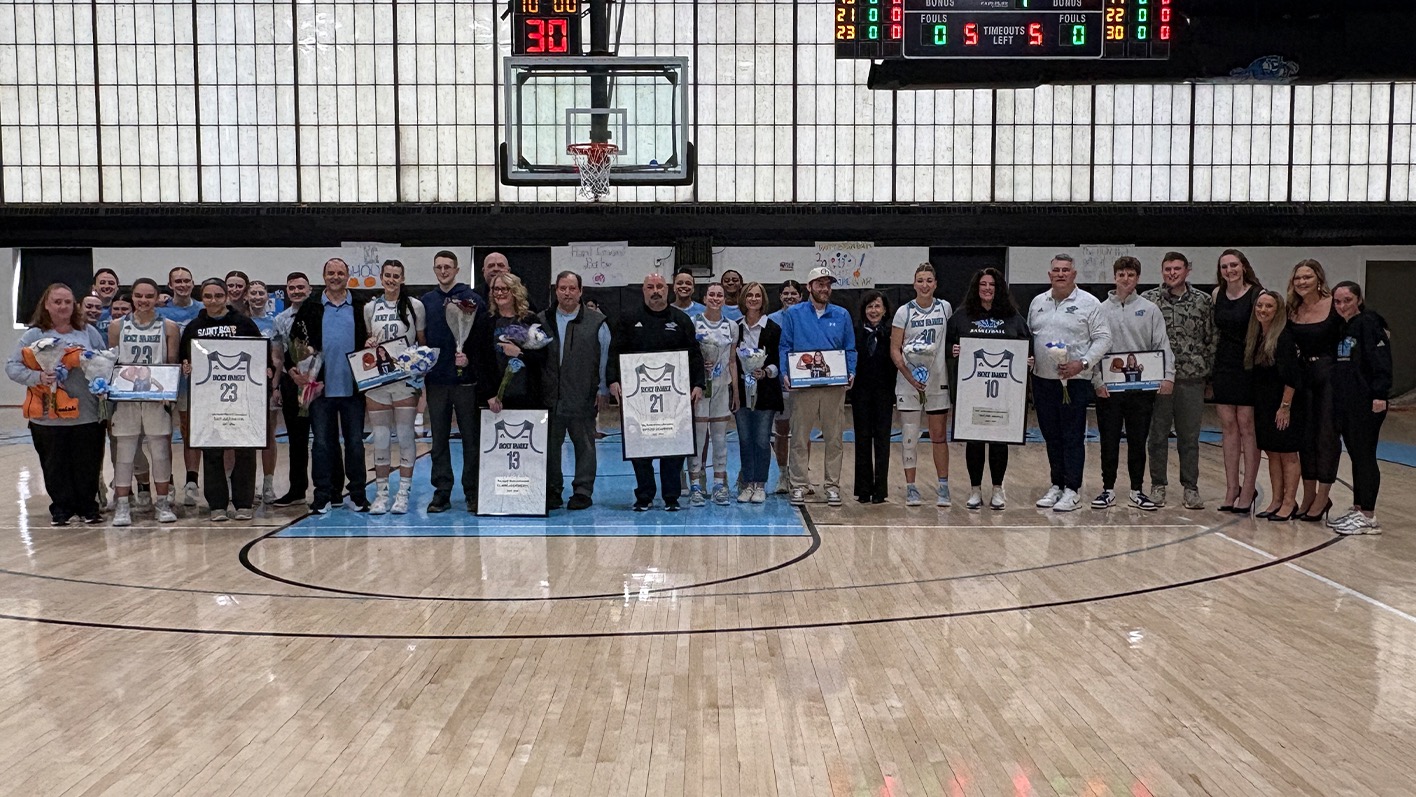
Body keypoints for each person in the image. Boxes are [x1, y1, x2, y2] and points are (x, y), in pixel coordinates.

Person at [7, 283, 108, 526]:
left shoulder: (88, 332)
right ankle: (61, 508)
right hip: (47, 415)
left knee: (88, 463)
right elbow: (12, 366)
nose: (63, 306)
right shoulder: (34, 335)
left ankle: (88, 507)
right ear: (46, 305)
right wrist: (38, 377)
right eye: (57, 302)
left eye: (67, 302)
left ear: (75, 305)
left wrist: (97, 371)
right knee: (54, 464)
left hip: (86, 413)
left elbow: (105, 361)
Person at [608, 273, 705, 511]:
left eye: (660, 286)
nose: (655, 291)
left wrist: (698, 384)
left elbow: (694, 354)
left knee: (673, 445)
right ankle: (645, 495)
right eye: (650, 287)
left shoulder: (680, 320)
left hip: (674, 398)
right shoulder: (628, 319)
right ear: (643, 291)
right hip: (637, 398)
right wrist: (613, 381)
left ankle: (671, 496)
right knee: (640, 446)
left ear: (667, 290)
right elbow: (614, 352)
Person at [1028, 254, 1110, 513]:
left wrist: (1082, 363)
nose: (1061, 274)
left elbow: (1104, 339)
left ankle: (1073, 489)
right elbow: (1031, 337)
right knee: (1051, 435)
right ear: (1049, 274)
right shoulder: (1037, 302)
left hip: (1075, 381)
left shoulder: (1089, 303)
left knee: (1072, 436)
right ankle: (1057, 484)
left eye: (1066, 270)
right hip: (1043, 381)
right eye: (1056, 270)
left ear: (1074, 275)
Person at [1091, 257, 1173, 511]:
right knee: (1109, 440)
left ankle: (1137, 490)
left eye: (1130, 275)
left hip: (1141, 388)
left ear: (1137, 278)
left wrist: (1168, 375)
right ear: (1114, 277)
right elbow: (1093, 347)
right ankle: (1108, 489)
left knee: (1138, 440)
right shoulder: (1100, 309)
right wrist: (1097, 380)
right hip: (1110, 389)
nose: (1125, 279)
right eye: (1121, 274)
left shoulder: (1150, 309)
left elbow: (1162, 344)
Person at [179, 279, 265, 521]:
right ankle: (217, 504)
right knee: (212, 450)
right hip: (208, 399)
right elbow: (183, 359)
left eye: (218, 295)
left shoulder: (244, 324)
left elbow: (261, 358)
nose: (213, 300)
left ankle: (244, 502)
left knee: (245, 449)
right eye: (208, 296)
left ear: (226, 297)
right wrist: (186, 366)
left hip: (241, 398)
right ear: (202, 298)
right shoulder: (194, 327)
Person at [289, 258, 369, 514]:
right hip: (320, 390)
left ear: (348, 276)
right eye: (331, 273)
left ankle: (358, 495)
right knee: (322, 444)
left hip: (353, 390)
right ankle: (323, 495)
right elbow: (295, 344)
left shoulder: (361, 305)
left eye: (340, 273)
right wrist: (298, 366)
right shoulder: (311, 306)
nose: (335, 277)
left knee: (355, 444)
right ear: (324, 276)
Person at [947, 267, 1030, 510]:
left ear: (999, 288)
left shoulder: (1012, 317)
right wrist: (952, 350)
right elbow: (947, 344)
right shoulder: (962, 316)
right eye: (983, 284)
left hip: (1002, 391)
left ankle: (997, 489)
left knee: (998, 441)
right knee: (974, 440)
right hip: (971, 390)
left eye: (992, 285)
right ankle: (974, 489)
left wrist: (1028, 358)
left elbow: (1026, 344)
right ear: (976, 288)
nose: (987, 288)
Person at [778, 266, 856, 507]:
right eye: (820, 284)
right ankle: (799, 485)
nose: (825, 288)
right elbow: (785, 346)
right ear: (809, 287)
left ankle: (832, 486)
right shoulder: (794, 314)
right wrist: (785, 373)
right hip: (803, 386)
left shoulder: (842, 314)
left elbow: (850, 347)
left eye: (828, 284)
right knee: (799, 437)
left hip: (834, 386)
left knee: (834, 439)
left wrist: (851, 371)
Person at [1142, 252, 1214, 509]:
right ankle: (1158, 485)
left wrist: (1209, 376)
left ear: (1187, 270)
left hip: (1191, 379)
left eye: (1177, 268)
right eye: (1168, 269)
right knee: (1157, 435)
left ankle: (1190, 488)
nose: (1172, 273)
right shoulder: (1148, 300)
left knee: (1189, 437)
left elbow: (1211, 339)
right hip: (1158, 380)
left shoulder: (1203, 301)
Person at [107, 278, 181, 526]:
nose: (143, 300)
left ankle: (163, 503)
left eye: (149, 296)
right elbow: (113, 363)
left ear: (158, 298)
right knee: (125, 452)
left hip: (156, 397)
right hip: (126, 396)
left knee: (160, 451)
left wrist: (167, 393)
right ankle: (122, 505)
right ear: (132, 297)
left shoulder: (169, 327)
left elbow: (171, 363)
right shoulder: (117, 326)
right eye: (139, 295)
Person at [538, 270, 610, 511]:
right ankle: (552, 489)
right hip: (550, 396)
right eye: (562, 288)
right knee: (550, 446)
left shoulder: (597, 322)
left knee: (585, 445)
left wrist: (602, 389)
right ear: (556, 291)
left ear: (580, 292)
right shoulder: (541, 320)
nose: (567, 293)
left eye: (572, 288)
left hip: (583, 395)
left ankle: (582, 490)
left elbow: (604, 357)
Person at [420, 250, 485, 513]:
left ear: (457, 270)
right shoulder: (426, 301)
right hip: (437, 381)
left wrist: (470, 360)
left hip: (466, 383)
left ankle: (472, 491)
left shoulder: (472, 299)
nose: (443, 271)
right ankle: (442, 491)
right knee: (439, 440)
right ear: (434, 270)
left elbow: (481, 339)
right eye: (439, 267)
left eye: (448, 267)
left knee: (471, 439)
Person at [362, 259, 427, 515]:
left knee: (405, 434)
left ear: (403, 278)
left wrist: (418, 366)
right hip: (377, 380)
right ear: (381, 277)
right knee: (380, 437)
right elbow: (369, 339)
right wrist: (368, 343)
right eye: (387, 275)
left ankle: (403, 494)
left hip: (404, 380)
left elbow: (421, 342)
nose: (391, 279)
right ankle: (381, 494)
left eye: (396, 275)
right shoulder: (370, 307)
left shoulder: (415, 306)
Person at [1329, 281, 1392, 534]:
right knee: (1355, 455)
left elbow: (1381, 360)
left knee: (1365, 456)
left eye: (1347, 300)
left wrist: (1380, 394)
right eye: (1337, 301)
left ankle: (1368, 516)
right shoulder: (1344, 327)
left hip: (1367, 401)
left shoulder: (1369, 323)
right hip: (1348, 401)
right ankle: (1358, 508)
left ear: (1359, 300)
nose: (1342, 305)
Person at [890, 263, 953, 507]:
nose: (924, 285)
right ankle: (911, 487)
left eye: (929, 280)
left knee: (939, 436)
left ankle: (943, 486)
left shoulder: (945, 308)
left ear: (935, 284)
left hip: (937, 382)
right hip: (909, 383)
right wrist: (910, 377)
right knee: (909, 435)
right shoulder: (903, 312)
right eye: (920, 280)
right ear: (914, 284)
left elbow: (952, 341)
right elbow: (895, 350)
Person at [1286, 259, 1342, 522]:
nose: (1302, 282)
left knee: (1326, 436)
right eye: (1298, 278)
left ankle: (1323, 496)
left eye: (1307, 277)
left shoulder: (1334, 305)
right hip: (1302, 377)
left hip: (1329, 376)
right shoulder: (1292, 309)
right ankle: (1308, 494)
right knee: (1305, 437)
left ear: (1319, 278)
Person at [1211, 249, 1262, 513]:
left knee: (1247, 427)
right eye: (1224, 267)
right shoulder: (1217, 294)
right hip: (1224, 364)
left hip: (1249, 365)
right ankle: (1232, 488)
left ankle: (1249, 488)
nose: (1229, 270)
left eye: (1233, 265)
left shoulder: (1257, 295)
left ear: (1243, 266)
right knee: (1228, 426)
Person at [1247, 290, 1302, 522]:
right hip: (1264, 404)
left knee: (1287, 454)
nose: (1263, 310)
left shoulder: (1284, 338)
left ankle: (1290, 501)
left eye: (1269, 306)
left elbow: (1292, 377)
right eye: (1260, 305)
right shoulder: (1258, 336)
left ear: (1278, 311)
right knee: (1272, 453)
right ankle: (1276, 500)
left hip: (1283, 404)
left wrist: (1285, 406)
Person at [686, 283, 739, 506]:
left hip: (721, 387)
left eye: (720, 295)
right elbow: (688, 356)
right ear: (705, 298)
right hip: (700, 388)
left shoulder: (732, 326)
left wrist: (736, 391)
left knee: (719, 438)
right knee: (698, 439)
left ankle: (719, 484)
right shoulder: (694, 322)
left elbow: (732, 361)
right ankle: (696, 485)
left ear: (724, 299)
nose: (716, 298)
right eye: (712, 295)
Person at [734, 281, 783, 503]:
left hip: (766, 393)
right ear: (743, 299)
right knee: (745, 440)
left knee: (762, 440)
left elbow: (778, 361)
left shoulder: (773, 328)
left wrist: (766, 372)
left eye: (757, 295)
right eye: (749, 295)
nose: (753, 299)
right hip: (741, 392)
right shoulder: (736, 328)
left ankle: (760, 484)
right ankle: (747, 483)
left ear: (763, 300)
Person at [473, 272, 547, 413]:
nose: (499, 293)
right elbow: (478, 360)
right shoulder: (485, 321)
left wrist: (519, 354)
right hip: (495, 398)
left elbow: (542, 357)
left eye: (504, 289)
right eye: (496, 289)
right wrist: (489, 394)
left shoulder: (530, 320)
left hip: (526, 395)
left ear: (515, 291)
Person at [270, 272, 313, 507]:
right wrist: (277, 385)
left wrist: (313, 375)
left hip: (318, 382)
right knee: (297, 440)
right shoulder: (280, 319)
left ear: (309, 290)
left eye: (300, 287)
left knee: (324, 438)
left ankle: (332, 489)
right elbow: (277, 355)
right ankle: (297, 490)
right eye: (292, 288)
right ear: (287, 291)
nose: (296, 291)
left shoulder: (320, 313)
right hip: (292, 382)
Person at [850, 290, 894, 504]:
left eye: (877, 306)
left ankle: (880, 490)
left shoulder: (892, 333)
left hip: (884, 393)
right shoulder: (855, 332)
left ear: (885, 310)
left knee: (883, 440)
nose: (873, 311)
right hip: (860, 393)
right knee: (862, 438)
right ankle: (863, 489)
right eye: (870, 307)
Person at [245, 280, 281, 504]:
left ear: (268, 296)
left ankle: (268, 484)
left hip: (266, 386)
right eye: (253, 293)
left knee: (268, 435)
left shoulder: (273, 323)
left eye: (261, 293)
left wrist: (275, 386)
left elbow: (277, 358)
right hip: (244, 386)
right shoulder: (239, 321)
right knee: (243, 436)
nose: (257, 297)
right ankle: (244, 485)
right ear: (246, 296)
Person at [769, 280, 803, 493]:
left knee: (802, 432)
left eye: (794, 293)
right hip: (781, 384)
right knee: (781, 431)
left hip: (803, 384)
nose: (790, 297)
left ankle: (801, 476)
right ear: (780, 296)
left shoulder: (807, 317)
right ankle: (783, 475)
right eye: (786, 293)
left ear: (801, 296)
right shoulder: (772, 320)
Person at [157, 266, 201, 331]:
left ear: (193, 284)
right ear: (170, 285)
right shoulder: (159, 311)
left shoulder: (203, 308)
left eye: (187, 281)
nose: (183, 285)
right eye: (178, 281)